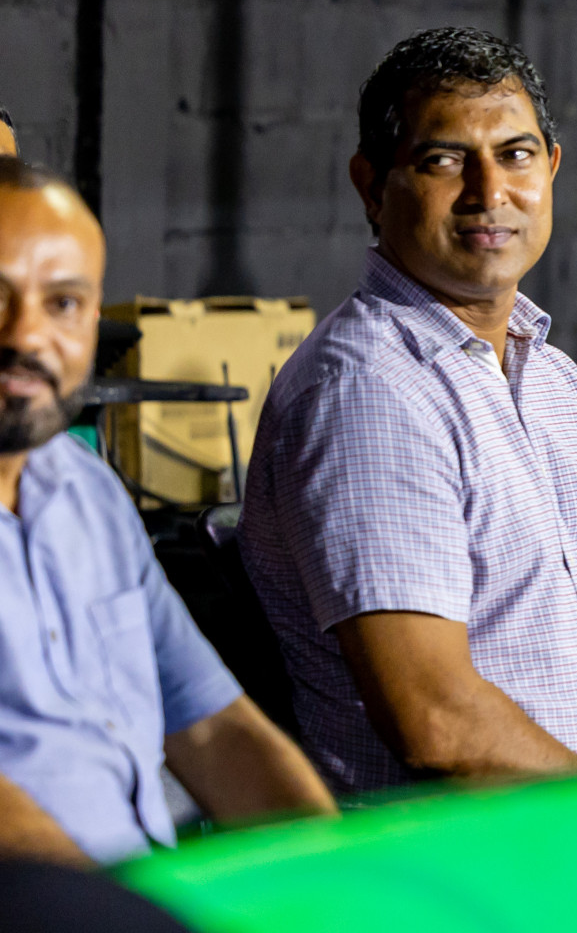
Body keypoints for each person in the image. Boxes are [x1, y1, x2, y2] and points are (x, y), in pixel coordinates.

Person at [239, 27, 577, 796]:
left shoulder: (556, 381)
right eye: (443, 160)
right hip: (462, 868)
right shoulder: (371, 393)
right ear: (372, 185)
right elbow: (441, 724)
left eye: (516, 154)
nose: (489, 193)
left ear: (553, 168)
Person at [0, 158, 335, 865]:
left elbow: (215, 730)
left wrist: (337, 879)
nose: (25, 335)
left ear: (95, 321)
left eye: (61, 303)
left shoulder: (88, 492)